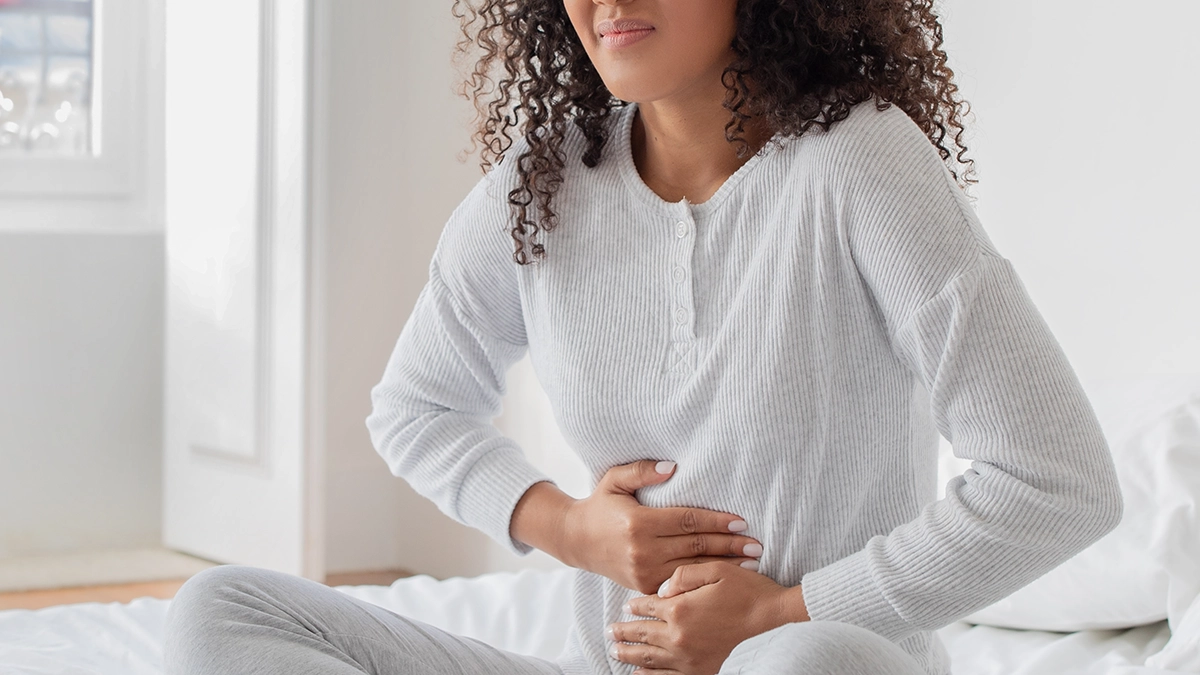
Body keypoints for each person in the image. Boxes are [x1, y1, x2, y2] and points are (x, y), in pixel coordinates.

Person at [163, 1, 1124, 674]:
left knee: (807, 661)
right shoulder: (542, 186)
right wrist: (566, 525)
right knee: (225, 611)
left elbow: (1061, 479)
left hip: (827, 662)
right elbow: (415, 407)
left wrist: (787, 609)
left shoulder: (859, 165)